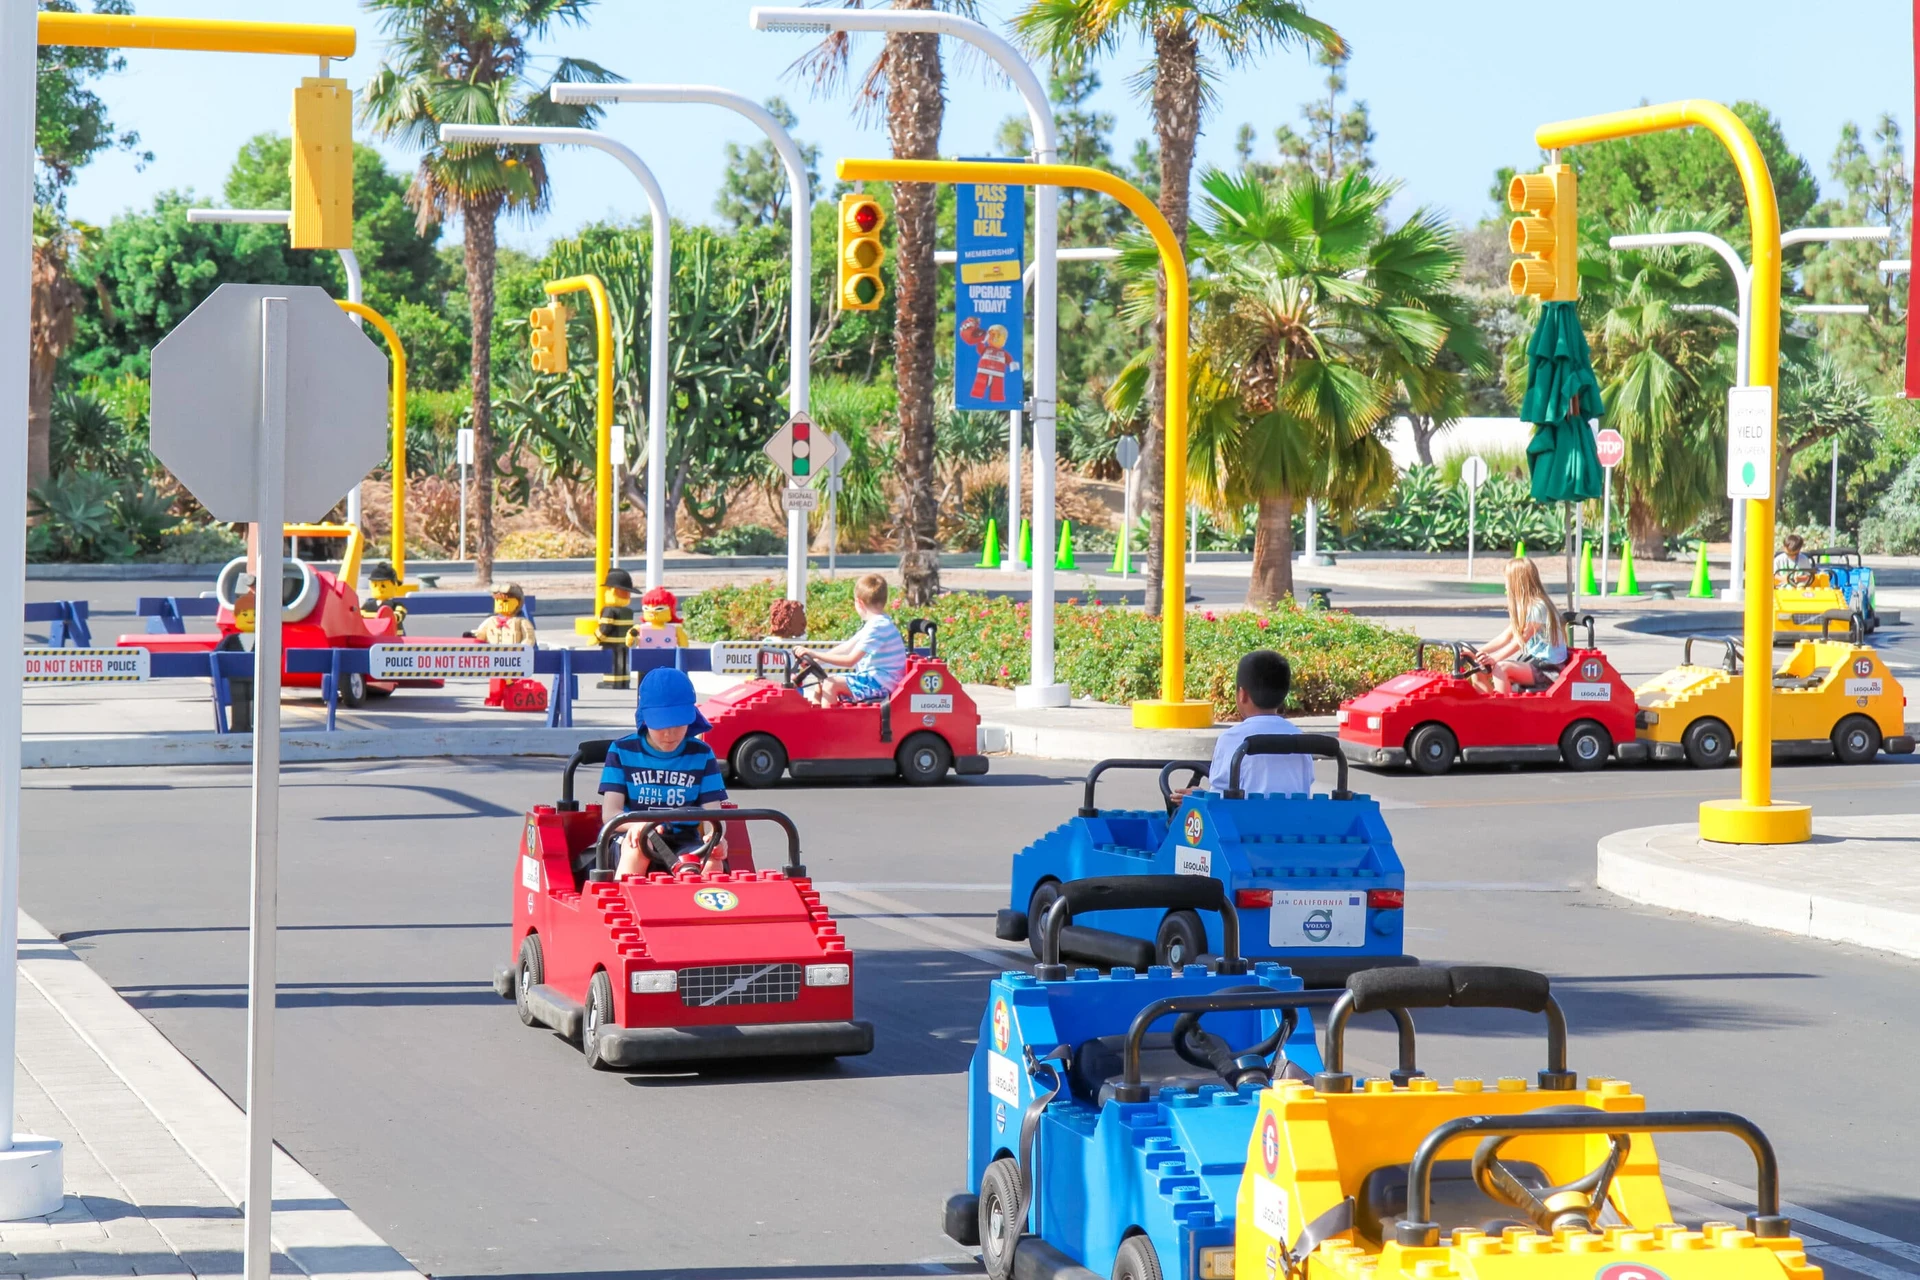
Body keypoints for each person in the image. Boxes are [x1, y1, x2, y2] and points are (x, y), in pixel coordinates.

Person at [598, 668, 729, 878]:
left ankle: (705, 898)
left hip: (685, 840)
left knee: (711, 860)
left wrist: (715, 838)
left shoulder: (702, 754)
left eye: (678, 724)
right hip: (633, 834)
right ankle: (623, 897)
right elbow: (610, 813)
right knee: (638, 847)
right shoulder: (622, 751)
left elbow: (713, 814)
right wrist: (638, 825)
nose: (669, 734)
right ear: (645, 717)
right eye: (660, 725)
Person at [1205, 650, 1315, 797]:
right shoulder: (1300, 739)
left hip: (1243, 813)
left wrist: (1197, 794)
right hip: (1296, 812)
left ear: (1243, 694)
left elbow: (1219, 796)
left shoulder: (1231, 739)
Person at [794, 573, 906, 706]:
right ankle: (815, 719)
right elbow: (847, 647)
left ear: (859, 602)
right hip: (875, 680)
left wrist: (815, 654)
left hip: (883, 684)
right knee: (821, 684)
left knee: (830, 684)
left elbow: (850, 660)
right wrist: (816, 662)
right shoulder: (876, 623)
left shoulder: (879, 627)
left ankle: (828, 720)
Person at [1467, 557, 1568, 694]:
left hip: (1549, 668)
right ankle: (1489, 705)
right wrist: (1476, 653)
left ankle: (1503, 706)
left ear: (1516, 582)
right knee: (1478, 670)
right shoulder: (1525, 607)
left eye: (1507, 580)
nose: (1505, 585)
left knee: (1501, 668)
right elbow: (1506, 637)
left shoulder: (1538, 607)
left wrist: (1494, 659)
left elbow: (1520, 641)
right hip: (1533, 662)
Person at [469, 584, 537, 708]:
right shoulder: (491, 621)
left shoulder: (521, 622)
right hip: (495, 657)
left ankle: (512, 697)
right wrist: (473, 636)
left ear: (517, 603)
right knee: (496, 679)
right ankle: (495, 697)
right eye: (497, 601)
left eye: (505, 601)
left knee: (513, 680)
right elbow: (481, 633)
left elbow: (529, 637)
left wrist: (523, 649)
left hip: (513, 658)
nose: (500, 604)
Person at [216, 576, 258, 734]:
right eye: (245, 615)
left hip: (257, 680)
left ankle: (257, 727)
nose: (250, 619)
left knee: (257, 702)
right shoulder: (231, 640)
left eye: (254, 615)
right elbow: (217, 654)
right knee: (239, 702)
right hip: (237, 680)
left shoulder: (264, 640)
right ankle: (239, 727)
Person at [596, 568, 637, 690]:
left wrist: (596, 637)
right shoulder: (628, 612)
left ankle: (611, 682)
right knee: (624, 662)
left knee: (612, 663)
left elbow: (605, 627)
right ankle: (624, 682)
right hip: (624, 644)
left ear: (612, 591)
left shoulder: (609, 611)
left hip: (611, 644)